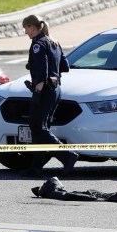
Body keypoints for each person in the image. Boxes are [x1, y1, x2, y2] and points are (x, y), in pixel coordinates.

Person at [22, 14, 77, 177]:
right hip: (55, 89)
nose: (25, 32)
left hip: (44, 90)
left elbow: (41, 72)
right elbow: (65, 66)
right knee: (41, 128)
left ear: (32, 27)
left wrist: (37, 92)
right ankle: (36, 167)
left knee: (38, 126)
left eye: (26, 28)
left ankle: (67, 156)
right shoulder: (54, 42)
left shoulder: (38, 44)